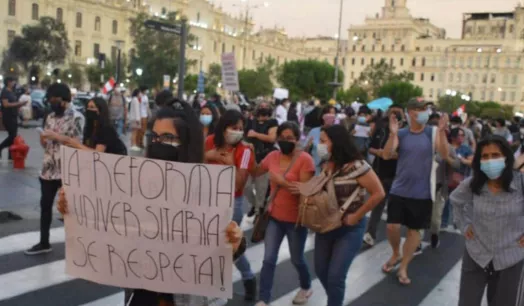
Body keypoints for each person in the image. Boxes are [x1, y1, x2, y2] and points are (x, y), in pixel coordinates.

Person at [56, 99, 248, 306]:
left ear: (187, 142)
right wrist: (73, 208)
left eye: (167, 137)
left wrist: (235, 244)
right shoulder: (136, 183)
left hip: (183, 299)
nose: (158, 143)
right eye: (154, 137)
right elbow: (108, 224)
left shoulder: (207, 190)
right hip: (142, 295)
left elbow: (214, 259)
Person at [309, 125, 384, 306]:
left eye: (323, 141)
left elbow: (378, 193)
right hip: (326, 226)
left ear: (337, 142)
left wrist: (357, 216)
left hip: (349, 229)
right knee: (321, 270)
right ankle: (335, 297)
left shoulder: (358, 166)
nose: (320, 145)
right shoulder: (326, 164)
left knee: (335, 276)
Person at [381, 97, 449, 285]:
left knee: (414, 232)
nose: (425, 112)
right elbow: (387, 154)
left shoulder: (432, 132)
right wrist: (392, 134)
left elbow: (444, 155)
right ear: (411, 112)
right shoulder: (401, 134)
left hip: (422, 192)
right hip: (399, 189)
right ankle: (396, 252)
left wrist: (442, 132)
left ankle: (403, 266)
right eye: (421, 108)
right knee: (392, 226)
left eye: (427, 108)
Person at [451, 135, 524, 306]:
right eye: (485, 156)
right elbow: (456, 201)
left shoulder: (520, 183)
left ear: (506, 157)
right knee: (467, 302)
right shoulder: (473, 184)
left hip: (511, 255)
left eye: (495, 155)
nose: (490, 161)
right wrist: (465, 225)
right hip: (477, 252)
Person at [253, 122, 315, 306]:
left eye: (290, 138)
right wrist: (246, 154)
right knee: (268, 259)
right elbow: (256, 171)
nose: (286, 141)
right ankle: (263, 298)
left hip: (296, 221)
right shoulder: (272, 156)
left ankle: (306, 286)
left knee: (297, 259)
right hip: (274, 218)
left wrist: (282, 182)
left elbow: (304, 190)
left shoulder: (305, 160)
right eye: (282, 138)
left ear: (297, 139)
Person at [25, 83, 84, 255]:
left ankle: (78, 243)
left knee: (70, 208)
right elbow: (47, 143)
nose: (52, 103)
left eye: (54, 100)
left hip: (68, 168)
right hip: (49, 168)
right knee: (45, 205)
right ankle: (44, 242)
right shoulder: (50, 116)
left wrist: (56, 136)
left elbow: (77, 143)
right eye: (50, 100)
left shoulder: (77, 117)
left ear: (64, 100)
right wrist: (44, 139)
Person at [204, 109, 257, 300]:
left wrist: (229, 164)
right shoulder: (209, 141)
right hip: (207, 200)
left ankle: (246, 279)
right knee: (213, 246)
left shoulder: (244, 151)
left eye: (241, 129)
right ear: (224, 128)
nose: (238, 132)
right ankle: (245, 278)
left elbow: (239, 183)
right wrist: (208, 156)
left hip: (231, 202)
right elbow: (194, 168)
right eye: (234, 128)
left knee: (227, 246)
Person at [363, 104, 403, 247]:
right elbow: (371, 147)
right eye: (392, 113)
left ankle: (394, 239)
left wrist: (392, 155)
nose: (394, 116)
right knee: (378, 204)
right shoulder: (381, 129)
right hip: (379, 172)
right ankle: (370, 234)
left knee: (395, 208)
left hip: (398, 175)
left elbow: (406, 154)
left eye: (397, 114)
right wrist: (380, 152)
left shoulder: (404, 132)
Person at [52, 97, 127, 155]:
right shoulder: (90, 128)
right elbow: (87, 148)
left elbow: (97, 153)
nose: (88, 109)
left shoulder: (106, 129)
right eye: (88, 107)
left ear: (100, 110)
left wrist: (76, 144)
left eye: (92, 107)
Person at [244, 102, 278, 216]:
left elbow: (272, 138)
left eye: (266, 106)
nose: (264, 107)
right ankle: (256, 205)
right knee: (246, 186)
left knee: (261, 189)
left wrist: (255, 134)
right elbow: (244, 135)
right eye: (261, 106)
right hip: (250, 158)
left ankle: (258, 213)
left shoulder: (273, 122)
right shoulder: (250, 121)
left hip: (264, 158)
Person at [0, 77, 27, 159]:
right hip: (7, 116)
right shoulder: (5, 92)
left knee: (14, 136)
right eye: (13, 81)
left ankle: (11, 155)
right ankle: (1, 147)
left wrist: (19, 104)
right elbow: (6, 104)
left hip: (14, 115)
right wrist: (18, 104)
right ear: (8, 82)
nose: (14, 83)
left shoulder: (12, 92)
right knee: (12, 136)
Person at [305, 105, 337, 174]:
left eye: (333, 114)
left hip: (331, 173)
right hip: (315, 171)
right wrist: (308, 146)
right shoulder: (314, 131)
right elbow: (305, 151)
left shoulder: (338, 132)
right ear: (323, 116)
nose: (331, 116)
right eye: (329, 113)